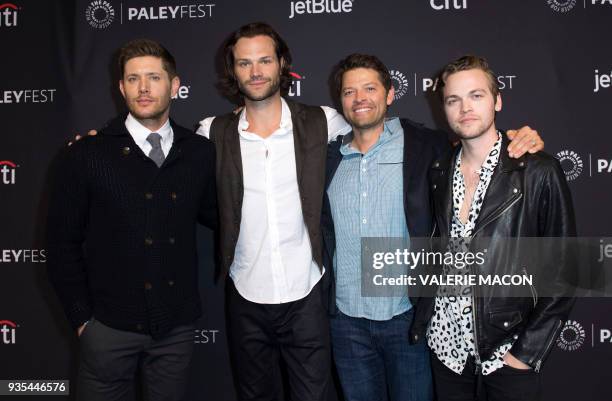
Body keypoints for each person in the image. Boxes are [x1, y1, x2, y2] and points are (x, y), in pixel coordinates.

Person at [320, 53, 544, 401]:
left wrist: (522, 137)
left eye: (369, 88)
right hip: (346, 323)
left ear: (390, 94)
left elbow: (480, 143)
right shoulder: (327, 159)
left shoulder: (427, 146)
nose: (359, 98)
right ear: (341, 101)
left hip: (409, 319)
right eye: (349, 92)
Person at [46, 38, 217, 401]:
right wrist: (82, 321)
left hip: (176, 327)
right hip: (107, 328)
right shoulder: (86, 155)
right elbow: (61, 244)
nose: (143, 88)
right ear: (121, 87)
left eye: (154, 77)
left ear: (174, 86)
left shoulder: (200, 152)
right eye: (133, 78)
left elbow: (221, 216)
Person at [195, 22, 350, 401]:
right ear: (233, 70)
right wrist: (100, 144)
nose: (256, 71)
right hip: (246, 294)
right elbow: (160, 168)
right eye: (245, 63)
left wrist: (505, 138)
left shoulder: (323, 121)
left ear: (282, 64)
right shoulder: (211, 133)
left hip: (308, 291)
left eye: (265, 60)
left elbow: (383, 133)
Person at [423, 55, 576, 401]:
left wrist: (525, 354)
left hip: (508, 351)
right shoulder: (439, 169)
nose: (465, 108)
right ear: (444, 108)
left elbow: (566, 269)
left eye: (476, 95)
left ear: (497, 100)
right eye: (453, 100)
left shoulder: (537, 171)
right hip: (447, 349)